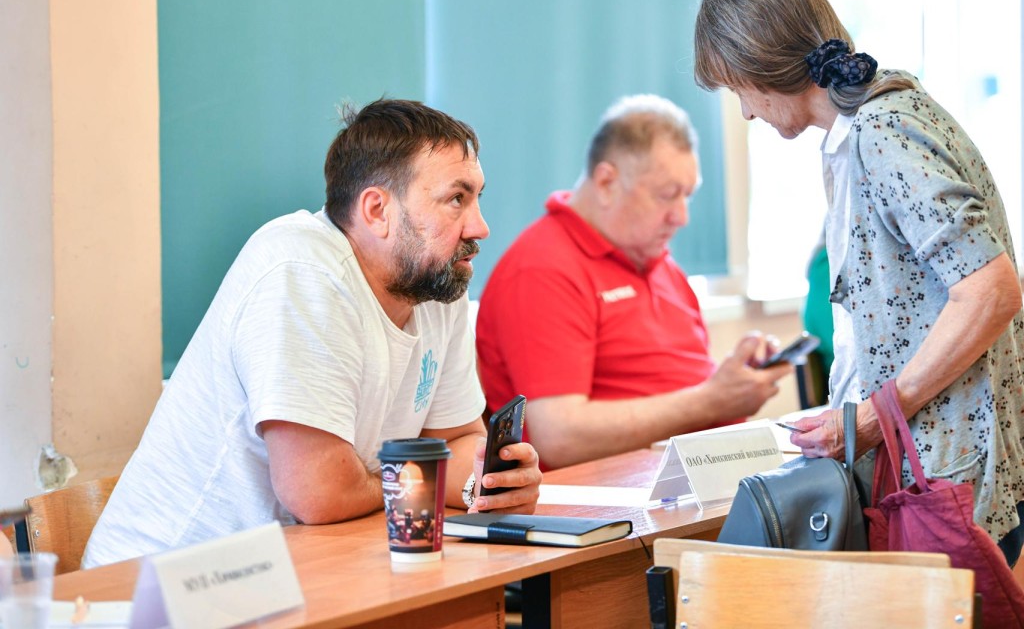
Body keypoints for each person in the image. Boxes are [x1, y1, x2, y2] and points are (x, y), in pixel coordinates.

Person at [83, 98, 542, 568]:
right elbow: (320, 492)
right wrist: (430, 479)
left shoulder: (434, 283)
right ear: (377, 210)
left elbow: (458, 441)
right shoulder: (301, 272)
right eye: (456, 199)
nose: (480, 227)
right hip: (164, 589)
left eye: (478, 198)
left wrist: (489, 484)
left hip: (295, 570)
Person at [693, 0, 1024, 565]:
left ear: (764, 65)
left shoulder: (883, 131)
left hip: (945, 478)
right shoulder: (865, 128)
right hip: (929, 468)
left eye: (738, 88)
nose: (744, 112)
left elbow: (990, 290)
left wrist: (874, 416)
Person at [475, 94, 793, 469]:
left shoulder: (655, 260)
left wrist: (733, 381)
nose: (681, 217)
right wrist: (712, 399)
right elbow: (557, 438)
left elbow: (678, 378)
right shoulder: (541, 269)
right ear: (607, 182)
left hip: (694, 478)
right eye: (667, 195)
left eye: (688, 196)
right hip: (611, 500)